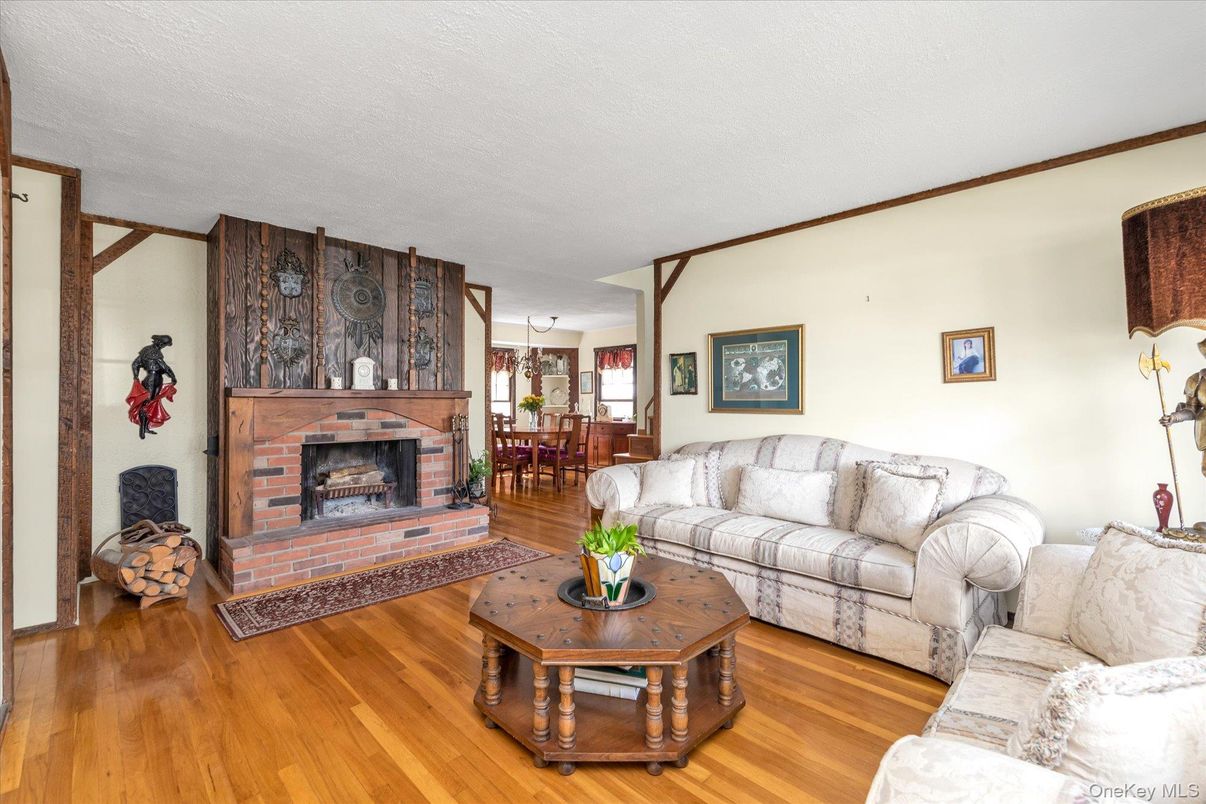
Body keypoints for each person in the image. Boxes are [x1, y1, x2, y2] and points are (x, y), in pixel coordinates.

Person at [127, 334, 178, 439]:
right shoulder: (155, 352)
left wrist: (136, 377)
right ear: (160, 343)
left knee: (149, 402)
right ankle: (142, 429)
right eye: (164, 345)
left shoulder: (146, 350)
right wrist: (173, 377)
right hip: (154, 379)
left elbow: (135, 364)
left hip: (149, 379)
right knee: (148, 403)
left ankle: (145, 427)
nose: (164, 347)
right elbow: (165, 367)